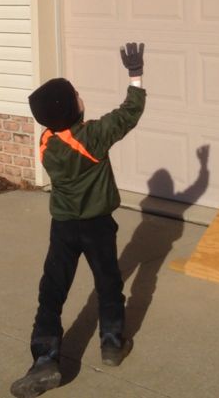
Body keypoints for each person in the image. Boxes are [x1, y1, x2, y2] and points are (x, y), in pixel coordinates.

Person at [10, 42, 146, 398]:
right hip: (97, 226)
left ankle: (45, 359)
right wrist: (135, 75)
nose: (80, 94)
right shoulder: (93, 137)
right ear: (71, 107)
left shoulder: (46, 143)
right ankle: (113, 344)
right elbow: (129, 113)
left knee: (52, 292)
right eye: (76, 94)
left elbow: (66, 131)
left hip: (64, 227)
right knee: (108, 284)